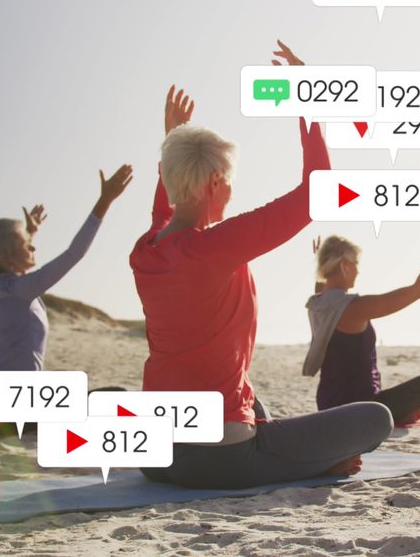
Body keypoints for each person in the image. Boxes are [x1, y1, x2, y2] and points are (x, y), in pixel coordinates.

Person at [131, 42, 393, 490]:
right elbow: (318, 192)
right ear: (214, 182)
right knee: (376, 418)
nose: (231, 193)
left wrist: (174, 141)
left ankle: (298, 456)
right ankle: (308, 464)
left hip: (156, 457)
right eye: (228, 183)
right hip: (221, 459)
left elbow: (166, 209)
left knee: (255, 399)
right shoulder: (217, 245)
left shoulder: (147, 250)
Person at [0, 165, 133, 434]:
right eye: (27, 245)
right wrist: (104, 202)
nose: (33, 248)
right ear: (7, 257)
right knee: (115, 397)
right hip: (12, 415)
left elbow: (16, 266)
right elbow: (74, 254)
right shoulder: (21, 290)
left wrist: (29, 233)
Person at [303, 216, 420, 425]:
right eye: (356, 264)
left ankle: (398, 414)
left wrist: (321, 261)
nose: (358, 271)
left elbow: (324, 286)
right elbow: (418, 290)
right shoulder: (353, 309)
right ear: (345, 265)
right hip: (361, 408)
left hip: (327, 404)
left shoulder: (318, 305)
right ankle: (395, 416)